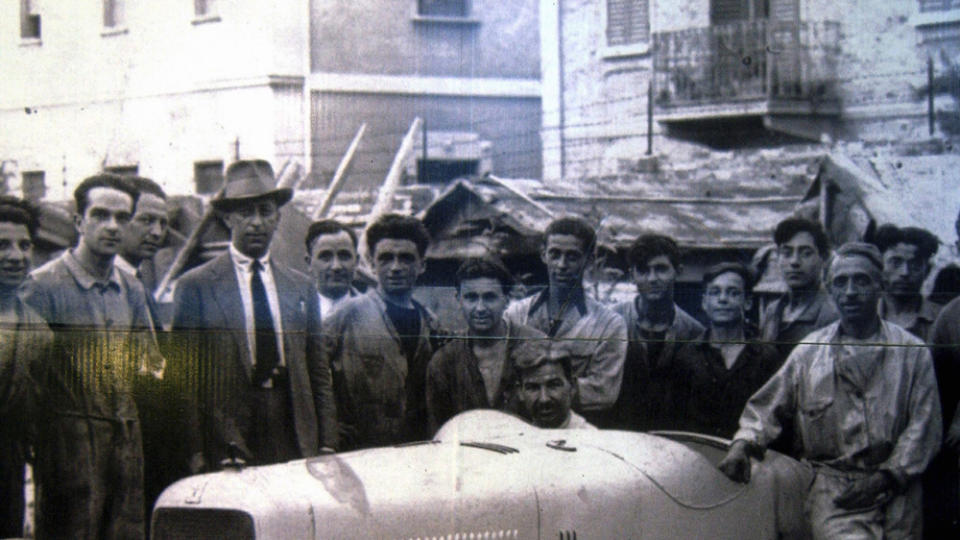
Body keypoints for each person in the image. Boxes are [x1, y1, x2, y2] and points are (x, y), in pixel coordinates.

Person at [719, 242, 942, 539]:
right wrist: (743, 444)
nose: (850, 291)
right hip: (836, 493)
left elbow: (924, 426)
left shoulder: (912, 352)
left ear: (880, 285)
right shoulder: (811, 351)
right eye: (841, 282)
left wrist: (886, 477)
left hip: (899, 491)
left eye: (861, 281)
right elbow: (767, 406)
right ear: (829, 288)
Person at [170, 160, 337, 469]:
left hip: (292, 426)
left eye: (265, 211)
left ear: (278, 218)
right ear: (227, 217)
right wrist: (194, 452)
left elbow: (317, 369)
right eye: (246, 213)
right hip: (227, 435)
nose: (256, 222)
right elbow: (183, 380)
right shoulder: (196, 285)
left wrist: (327, 441)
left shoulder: (300, 286)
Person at [22, 174, 162, 538]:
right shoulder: (41, 286)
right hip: (68, 451)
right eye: (100, 215)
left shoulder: (130, 286)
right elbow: (24, 383)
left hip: (126, 443)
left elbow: (151, 366)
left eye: (122, 217)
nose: (112, 226)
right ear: (78, 221)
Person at [323, 213, 442, 449]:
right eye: (386, 258)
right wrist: (329, 427)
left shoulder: (431, 323)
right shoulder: (346, 314)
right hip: (358, 451)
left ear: (422, 265)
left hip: (415, 451)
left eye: (406, 258)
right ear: (372, 263)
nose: (395, 267)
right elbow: (310, 375)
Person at [503, 216, 626, 426]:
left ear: (588, 260)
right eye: (555, 254)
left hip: (575, 432)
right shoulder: (516, 314)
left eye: (572, 256)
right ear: (543, 255)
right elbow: (501, 379)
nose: (561, 264)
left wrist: (534, 391)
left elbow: (603, 393)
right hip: (520, 427)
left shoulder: (608, 325)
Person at [425, 257, 545, 434]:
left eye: (489, 297)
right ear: (458, 299)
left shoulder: (539, 347)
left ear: (506, 298)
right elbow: (438, 432)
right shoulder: (444, 362)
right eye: (471, 298)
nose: (480, 308)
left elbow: (557, 423)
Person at [673, 262, 780, 439]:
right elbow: (675, 420)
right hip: (698, 457)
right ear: (704, 302)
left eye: (733, 292)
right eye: (715, 292)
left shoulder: (766, 357)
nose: (723, 299)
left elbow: (773, 418)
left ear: (747, 302)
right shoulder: (686, 356)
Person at [611, 233, 703, 431]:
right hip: (619, 432)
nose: (652, 278)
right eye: (643, 270)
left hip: (671, 435)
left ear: (678, 271)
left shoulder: (694, 332)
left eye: (661, 269)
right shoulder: (612, 321)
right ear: (632, 275)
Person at [0, 196, 53, 538]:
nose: (16, 256)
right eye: (2, 245)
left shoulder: (38, 331)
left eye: (24, 245)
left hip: (7, 485)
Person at [760, 218, 838, 361]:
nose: (794, 262)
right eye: (787, 253)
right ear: (777, 257)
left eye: (806, 253)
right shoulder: (773, 311)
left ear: (823, 258)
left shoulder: (832, 313)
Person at [870, 224, 942, 340]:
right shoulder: (863, 316)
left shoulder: (944, 320)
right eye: (896, 262)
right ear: (879, 266)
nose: (905, 272)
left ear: (927, 271)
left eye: (915, 265)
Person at [512, 340, 596, 430]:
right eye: (533, 388)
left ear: (572, 386)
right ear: (520, 392)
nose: (544, 399)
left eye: (553, 385)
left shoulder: (592, 439)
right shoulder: (515, 437)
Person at [304, 219, 360, 318]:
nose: (336, 266)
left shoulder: (375, 312)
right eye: (325, 257)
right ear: (309, 263)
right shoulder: (296, 312)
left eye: (344, 256)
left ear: (356, 261)